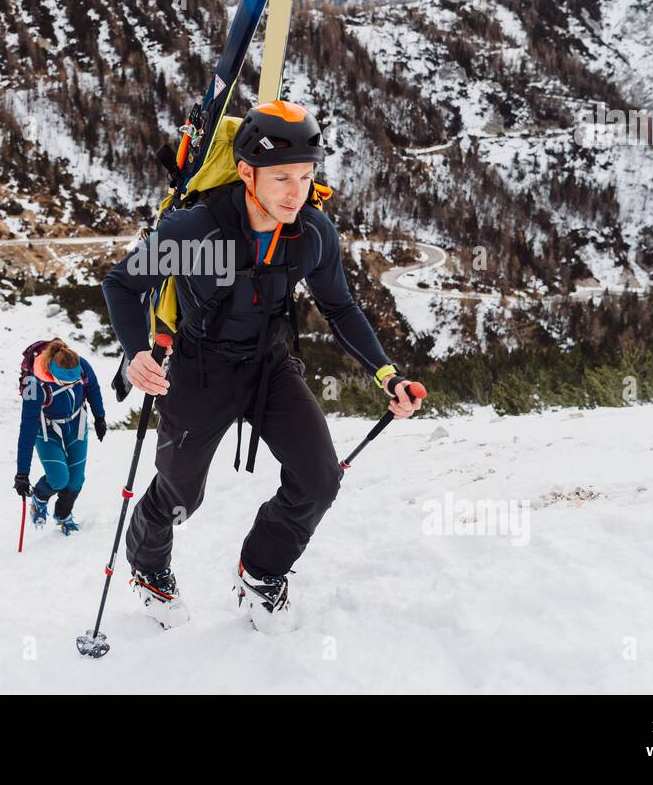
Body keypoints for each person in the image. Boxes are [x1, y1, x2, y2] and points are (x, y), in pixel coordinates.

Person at [102, 100, 424, 632]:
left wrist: (387, 374)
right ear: (247, 173)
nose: (296, 192)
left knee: (319, 478)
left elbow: (340, 307)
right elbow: (122, 283)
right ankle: (148, 567)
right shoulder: (193, 233)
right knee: (180, 495)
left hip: (271, 365)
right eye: (282, 178)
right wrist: (137, 351)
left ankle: (261, 571)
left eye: (305, 175)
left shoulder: (312, 234)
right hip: (199, 369)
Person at [12, 339, 107, 536]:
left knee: (76, 479)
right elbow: (27, 427)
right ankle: (39, 497)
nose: (73, 385)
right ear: (52, 374)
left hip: (75, 422)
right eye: (68, 383)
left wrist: (100, 417)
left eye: (75, 382)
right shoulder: (33, 383)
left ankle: (63, 515)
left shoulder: (80, 365)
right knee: (58, 478)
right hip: (46, 428)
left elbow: (93, 388)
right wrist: (22, 473)